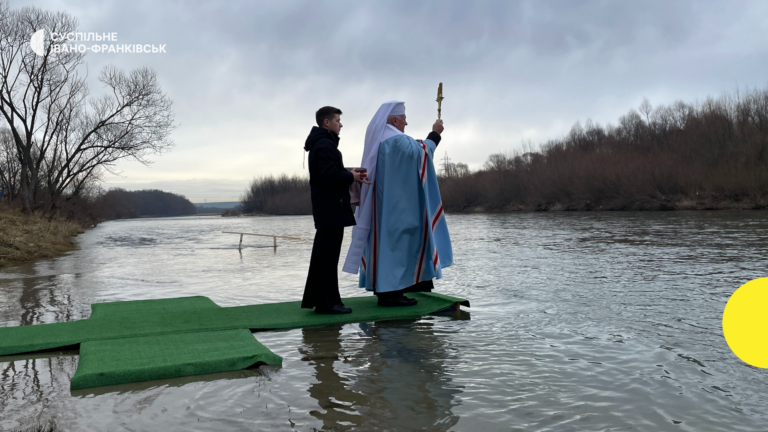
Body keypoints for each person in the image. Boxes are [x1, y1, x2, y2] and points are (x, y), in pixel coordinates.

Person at [342, 101, 452, 307]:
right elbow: (422, 153)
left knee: (384, 246)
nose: (406, 123)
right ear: (394, 120)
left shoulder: (382, 140)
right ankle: (391, 293)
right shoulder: (397, 141)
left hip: (383, 207)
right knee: (395, 247)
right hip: (397, 209)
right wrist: (435, 133)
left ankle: (386, 291)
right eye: (403, 119)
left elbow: (414, 147)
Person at [302, 106, 364, 314]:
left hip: (326, 208)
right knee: (328, 257)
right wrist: (351, 177)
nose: (341, 124)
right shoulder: (325, 145)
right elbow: (329, 175)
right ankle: (329, 303)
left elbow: (326, 173)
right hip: (331, 209)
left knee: (323, 255)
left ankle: (322, 301)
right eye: (338, 120)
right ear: (326, 123)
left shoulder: (321, 144)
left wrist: (346, 173)